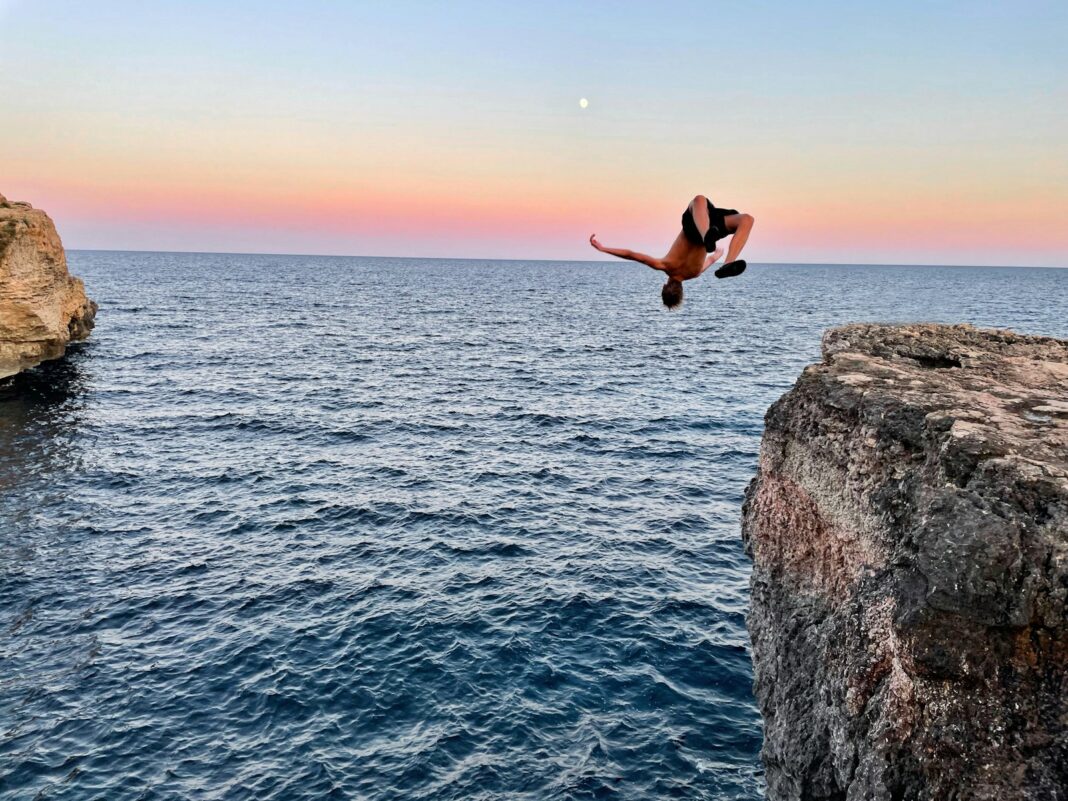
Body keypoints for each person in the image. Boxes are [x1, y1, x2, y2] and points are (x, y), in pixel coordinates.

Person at [589, 195, 755, 309]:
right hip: (696, 227)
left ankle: (726, 260)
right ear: (664, 285)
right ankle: (724, 257)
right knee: (700, 200)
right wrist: (603, 248)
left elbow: (711, 259)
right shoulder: (664, 265)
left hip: (711, 229)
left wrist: (717, 255)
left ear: (682, 291)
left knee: (746, 220)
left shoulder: (695, 272)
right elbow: (631, 254)